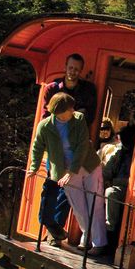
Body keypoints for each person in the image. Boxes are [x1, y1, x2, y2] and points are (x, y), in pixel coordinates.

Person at [29, 93, 108, 255]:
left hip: (88, 166)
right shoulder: (44, 126)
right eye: (69, 108)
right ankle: (87, 235)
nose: (73, 110)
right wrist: (34, 167)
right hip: (65, 171)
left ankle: (99, 243)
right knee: (78, 206)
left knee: (95, 202)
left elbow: (82, 146)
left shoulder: (78, 119)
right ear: (59, 111)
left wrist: (72, 171)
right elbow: (37, 147)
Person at [37, 53, 98, 245]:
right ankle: (49, 226)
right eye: (70, 68)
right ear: (65, 66)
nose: (73, 72)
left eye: (77, 69)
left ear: (81, 71)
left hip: (75, 150)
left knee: (67, 191)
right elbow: (46, 117)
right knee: (51, 187)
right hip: (55, 148)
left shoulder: (88, 90)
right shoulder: (52, 88)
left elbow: (89, 118)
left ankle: (55, 231)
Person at [104, 125, 135, 247]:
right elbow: (107, 171)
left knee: (111, 193)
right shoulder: (119, 153)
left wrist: (114, 182)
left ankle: (110, 231)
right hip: (117, 184)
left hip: (128, 189)